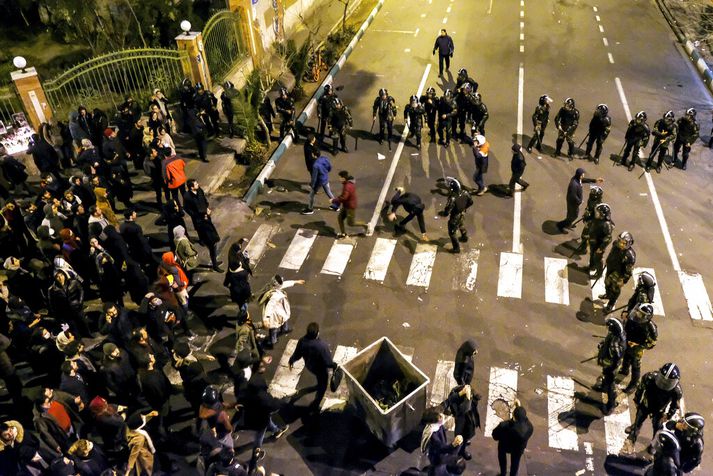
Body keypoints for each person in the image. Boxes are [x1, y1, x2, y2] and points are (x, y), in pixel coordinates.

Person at [624, 363, 683, 452]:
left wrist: (668, 415)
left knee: (657, 428)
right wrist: (637, 400)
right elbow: (640, 389)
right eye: (663, 380)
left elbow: (674, 405)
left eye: (668, 382)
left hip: (659, 410)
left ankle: (654, 444)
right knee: (638, 421)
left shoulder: (676, 391)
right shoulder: (649, 378)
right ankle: (633, 435)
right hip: (646, 404)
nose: (664, 384)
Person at [288, 322, 337, 412]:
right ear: (317, 333)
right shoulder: (322, 346)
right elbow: (328, 362)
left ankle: (317, 389)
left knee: (319, 381)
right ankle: (316, 404)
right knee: (323, 386)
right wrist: (334, 366)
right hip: (320, 369)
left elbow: (297, 354)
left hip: (310, 366)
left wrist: (291, 361)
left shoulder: (302, 341)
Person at [183, 179, 223, 272]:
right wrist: (200, 215)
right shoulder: (187, 196)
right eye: (196, 184)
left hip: (206, 217)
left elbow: (204, 200)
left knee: (212, 240)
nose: (198, 184)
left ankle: (213, 258)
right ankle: (214, 264)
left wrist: (207, 209)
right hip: (200, 221)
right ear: (191, 187)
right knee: (212, 243)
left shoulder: (199, 190)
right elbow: (188, 209)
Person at [620, 303, 658, 394]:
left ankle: (633, 384)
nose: (638, 315)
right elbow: (626, 326)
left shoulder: (650, 327)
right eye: (638, 312)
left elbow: (652, 343)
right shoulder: (633, 317)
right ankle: (624, 370)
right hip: (628, 341)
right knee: (626, 357)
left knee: (635, 365)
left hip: (637, 348)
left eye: (642, 314)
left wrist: (638, 345)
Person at [258, 274, 304, 348]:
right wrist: (266, 319)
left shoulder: (272, 287)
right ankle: (273, 340)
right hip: (275, 313)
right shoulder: (275, 295)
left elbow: (284, 284)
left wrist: (295, 282)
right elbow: (270, 306)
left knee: (284, 318)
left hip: (280, 309)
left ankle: (284, 329)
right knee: (274, 326)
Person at [591, 317, 626, 415]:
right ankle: (603, 386)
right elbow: (609, 339)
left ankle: (611, 404)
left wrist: (608, 366)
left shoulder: (616, 346)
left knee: (611, 386)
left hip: (611, 367)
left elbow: (615, 359)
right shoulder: (618, 335)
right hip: (609, 366)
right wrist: (604, 344)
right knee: (606, 378)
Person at [599, 231, 636, 314]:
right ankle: (608, 295)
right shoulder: (615, 244)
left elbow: (628, 271)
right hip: (611, 268)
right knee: (607, 283)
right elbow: (611, 253)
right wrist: (608, 261)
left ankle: (611, 304)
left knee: (615, 289)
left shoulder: (630, 256)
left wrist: (623, 280)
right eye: (620, 241)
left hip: (619, 274)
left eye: (623, 243)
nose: (620, 244)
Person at [492, 404, 533, 476]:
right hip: (518, 449)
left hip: (504, 446)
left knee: (502, 458)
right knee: (515, 462)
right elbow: (524, 420)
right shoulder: (530, 427)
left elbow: (495, 436)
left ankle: (503, 473)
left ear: (513, 417)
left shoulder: (504, 426)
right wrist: (518, 407)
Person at [557, 168, 601, 232]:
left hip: (574, 202)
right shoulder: (574, 184)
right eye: (583, 174)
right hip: (573, 203)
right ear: (580, 175)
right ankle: (561, 225)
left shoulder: (577, 179)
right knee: (573, 216)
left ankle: (568, 223)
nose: (584, 175)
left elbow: (584, 180)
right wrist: (579, 201)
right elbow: (573, 196)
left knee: (572, 215)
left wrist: (595, 180)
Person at [445, 384, 480, 460]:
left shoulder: (463, 391)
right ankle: (461, 451)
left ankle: (465, 441)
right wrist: (467, 398)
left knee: (467, 436)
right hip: (463, 424)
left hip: (470, 420)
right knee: (461, 439)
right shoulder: (458, 404)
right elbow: (464, 409)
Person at [331, 170, 367, 239]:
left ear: (343, 178)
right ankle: (343, 234)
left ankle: (365, 225)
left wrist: (334, 200)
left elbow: (344, 197)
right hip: (346, 205)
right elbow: (344, 196)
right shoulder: (347, 184)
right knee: (340, 218)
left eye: (340, 177)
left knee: (351, 223)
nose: (339, 179)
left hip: (350, 207)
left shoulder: (347, 186)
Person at [443, 178, 472, 254]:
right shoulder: (465, 193)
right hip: (462, 213)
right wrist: (464, 208)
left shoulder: (452, 198)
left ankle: (456, 248)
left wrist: (445, 213)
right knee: (461, 224)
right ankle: (464, 237)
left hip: (455, 216)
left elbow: (447, 211)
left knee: (452, 232)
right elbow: (471, 202)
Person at [574, 185, 604, 256]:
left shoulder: (598, 206)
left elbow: (596, 218)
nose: (591, 194)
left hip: (591, 223)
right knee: (584, 235)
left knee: (585, 236)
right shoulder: (591, 200)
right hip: (588, 219)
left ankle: (583, 249)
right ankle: (583, 245)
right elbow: (588, 208)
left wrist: (588, 220)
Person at [586, 203, 614, 278]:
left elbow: (608, 238)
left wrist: (601, 248)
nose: (597, 214)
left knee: (597, 259)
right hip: (593, 242)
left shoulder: (606, 224)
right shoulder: (598, 219)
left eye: (598, 213)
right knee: (592, 255)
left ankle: (599, 274)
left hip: (599, 244)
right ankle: (592, 266)